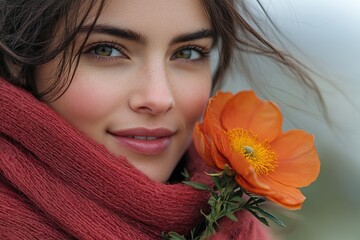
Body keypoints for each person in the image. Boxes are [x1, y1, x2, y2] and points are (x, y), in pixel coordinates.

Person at [0, 1, 323, 239]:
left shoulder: (240, 229)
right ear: (17, 62)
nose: (159, 99)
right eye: (107, 50)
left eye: (188, 53)